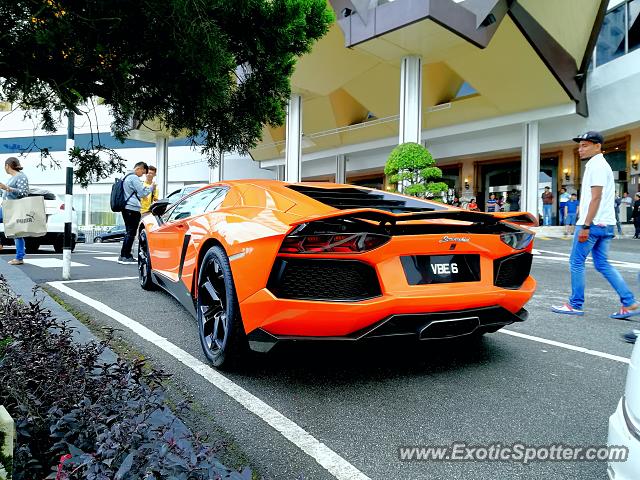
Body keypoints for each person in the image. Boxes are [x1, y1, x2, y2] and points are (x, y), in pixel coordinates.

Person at [552, 131, 639, 318]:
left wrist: (585, 225)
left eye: (585, 145)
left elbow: (596, 197)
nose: (580, 149)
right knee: (602, 264)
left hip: (592, 224)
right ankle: (629, 302)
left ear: (598, 146)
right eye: (580, 145)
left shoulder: (596, 165)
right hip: (606, 224)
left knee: (576, 262)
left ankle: (575, 304)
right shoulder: (601, 165)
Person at [119, 162, 155, 264]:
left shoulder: (125, 176)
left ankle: (123, 255)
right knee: (131, 232)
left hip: (126, 208)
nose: (142, 175)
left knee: (128, 232)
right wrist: (151, 187)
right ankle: (126, 256)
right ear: (139, 168)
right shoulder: (134, 178)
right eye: (143, 172)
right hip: (132, 208)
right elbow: (143, 193)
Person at [0, 157, 30, 265]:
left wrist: (7, 188)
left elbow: (23, 193)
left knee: (17, 233)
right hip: (7, 207)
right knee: (17, 233)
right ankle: (19, 256)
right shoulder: (12, 177)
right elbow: (8, 192)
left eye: (4, 166)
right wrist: (3, 189)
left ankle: (19, 258)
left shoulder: (21, 177)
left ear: (7, 166)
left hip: (14, 208)